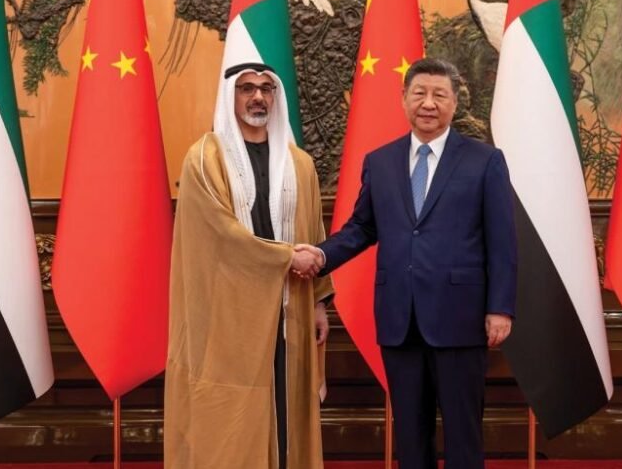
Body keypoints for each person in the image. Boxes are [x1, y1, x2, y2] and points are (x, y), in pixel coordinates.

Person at [296, 58, 517, 469]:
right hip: (400, 319)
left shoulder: (485, 161)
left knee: (463, 433)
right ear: (403, 99)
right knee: (410, 434)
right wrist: (321, 255)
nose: (428, 103)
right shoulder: (380, 162)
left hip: (461, 319)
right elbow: (361, 228)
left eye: (439, 95)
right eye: (419, 93)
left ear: (454, 103)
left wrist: (500, 308)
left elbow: (502, 241)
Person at [163, 62, 333, 469]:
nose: (257, 97)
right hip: (228, 316)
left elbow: (313, 230)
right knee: (231, 414)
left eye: (265, 89)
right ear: (231, 96)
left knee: (285, 401)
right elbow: (221, 235)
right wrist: (285, 257)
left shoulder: (299, 163)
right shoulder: (204, 159)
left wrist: (320, 302)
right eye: (246, 89)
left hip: (290, 309)